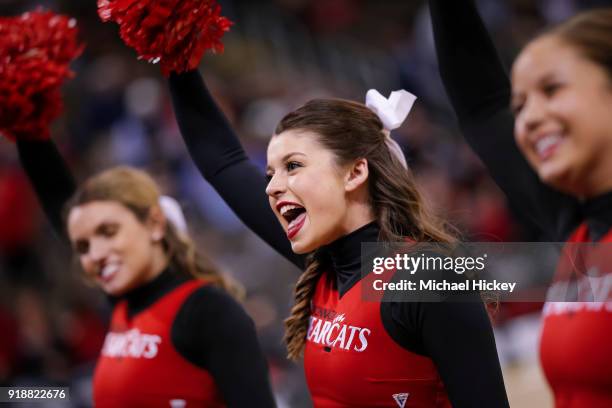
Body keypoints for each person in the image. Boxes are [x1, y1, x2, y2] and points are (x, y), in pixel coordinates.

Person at [167, 68, 509, 405]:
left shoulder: (427, 276)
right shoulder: (325, 264)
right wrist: (175, 58)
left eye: (293, 166)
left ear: (355, 172)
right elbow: (223, 163)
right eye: (270, 173)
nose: (271, 187)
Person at [429, 1, 612, 406]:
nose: (528, 119)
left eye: (552, 90)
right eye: (521, 105)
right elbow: (482, 106)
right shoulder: (581, 228)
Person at [14, 138, 276, 407]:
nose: (95, 254)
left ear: (154, 225)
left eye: (109, 232)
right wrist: (29, 129)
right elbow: (58, 198)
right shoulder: (125, 307)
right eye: (83, 246)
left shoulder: (208, 311)